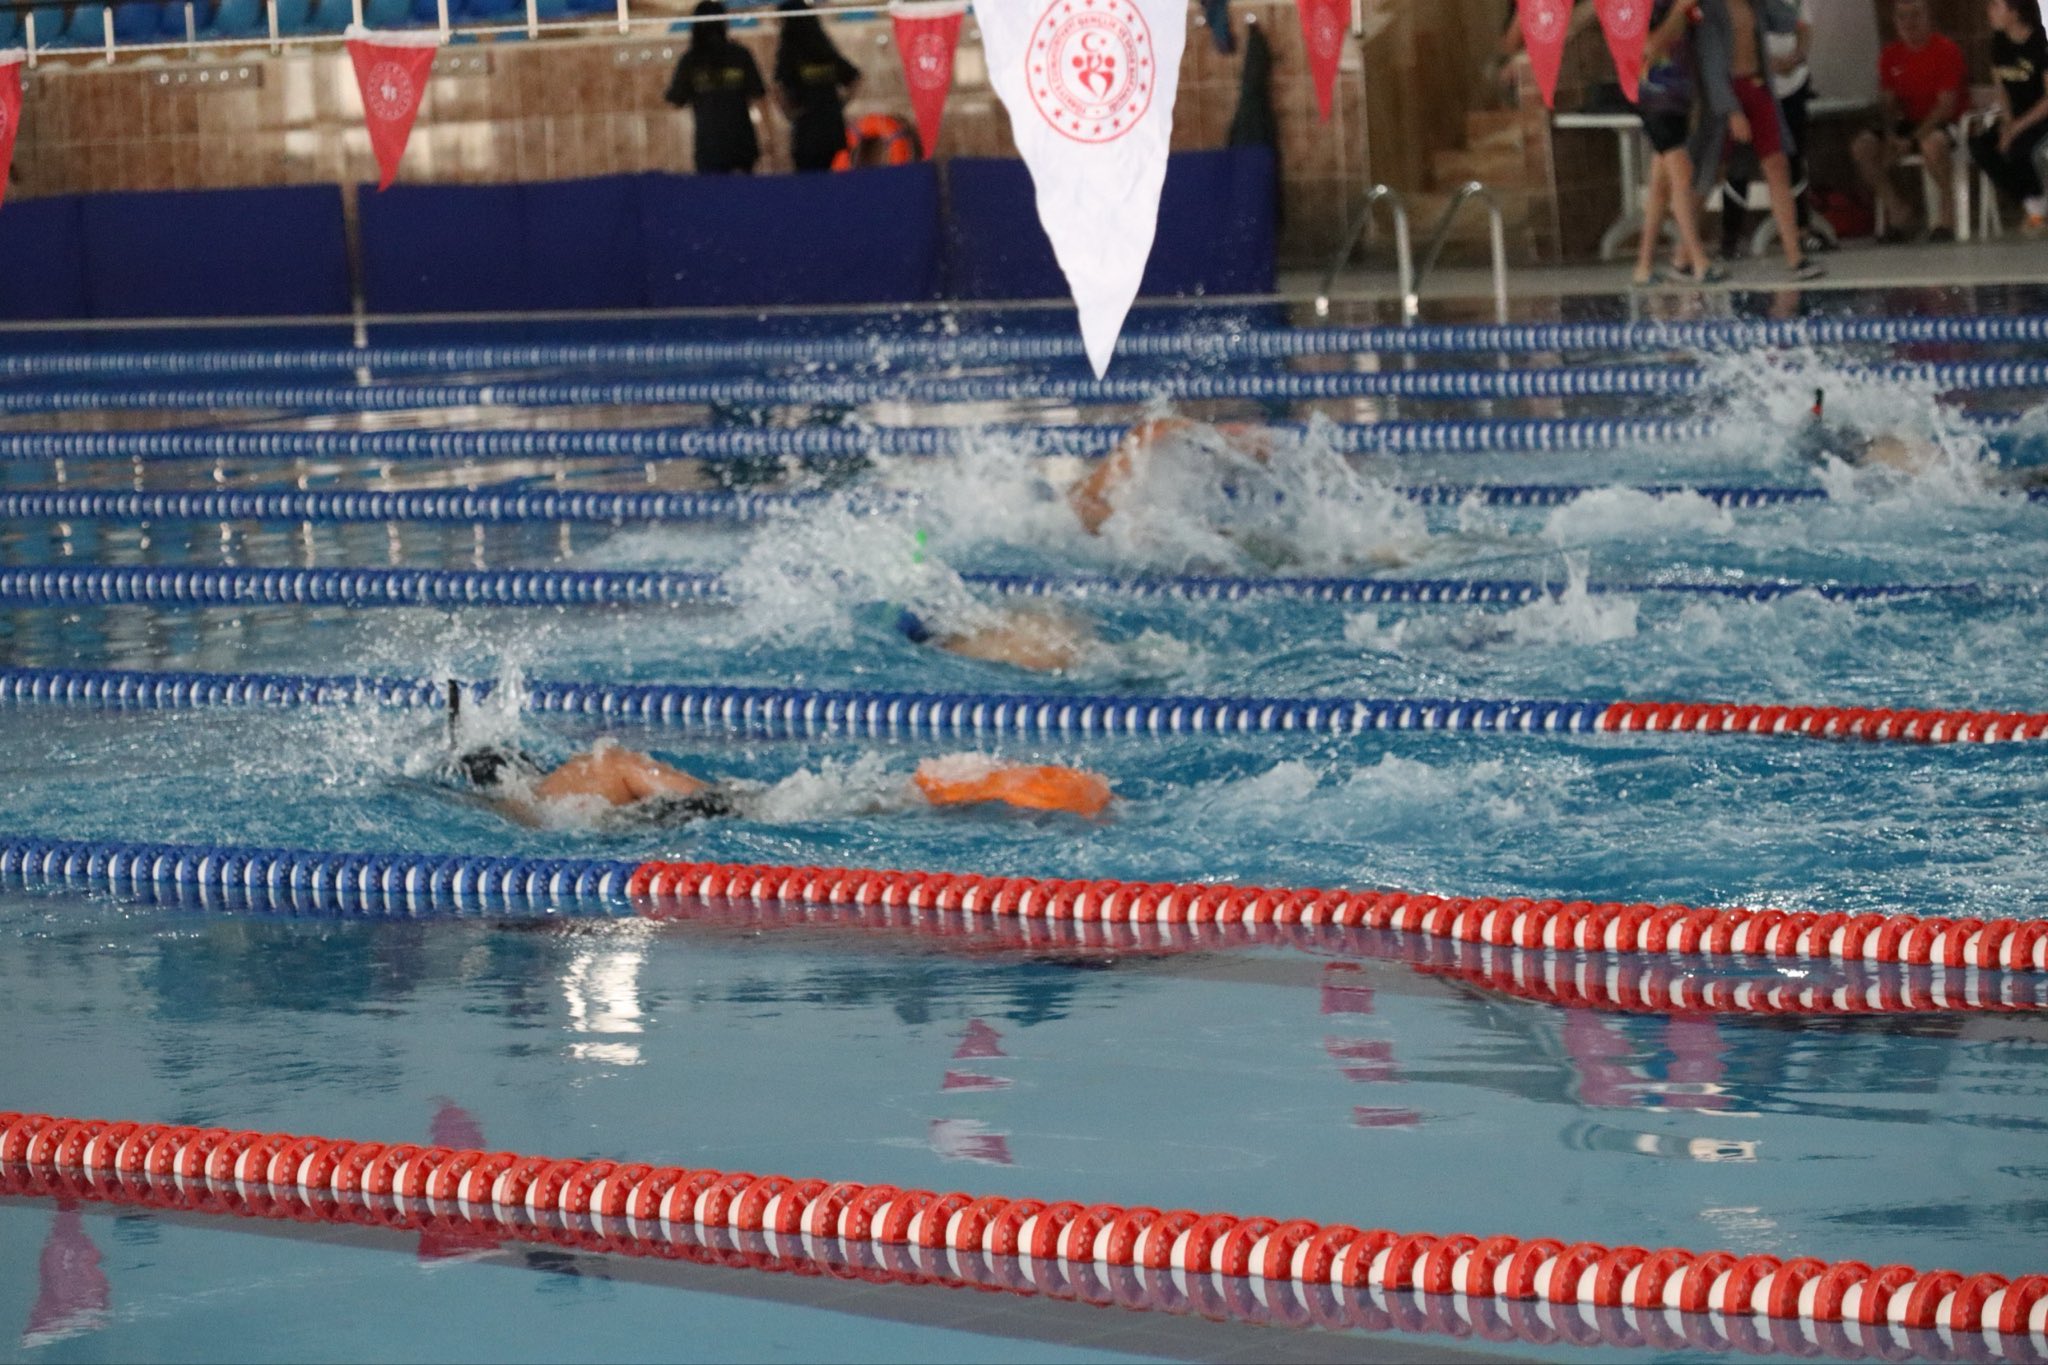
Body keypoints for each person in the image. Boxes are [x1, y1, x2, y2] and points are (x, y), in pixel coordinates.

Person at [442, 687, 1112, 824]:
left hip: (711, 816)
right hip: (711, 810)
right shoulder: (577, 776)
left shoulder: (554, 794)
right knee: (858, 800)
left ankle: (969, 790)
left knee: (855, 804)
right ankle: (972, 787)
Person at [1691, 0, 1825, 279]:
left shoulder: (1757, 6)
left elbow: (1791, 21)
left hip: (1758, 86)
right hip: (1729, 92)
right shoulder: (1710, 9)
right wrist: (1731, 110)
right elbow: (1711, 66)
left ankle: (1794, 256)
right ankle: (1684, 252)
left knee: (1777, 165)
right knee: (1710, 172)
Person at [1852, 0, 1969, 241]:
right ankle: (1898, 211)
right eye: (1902, 17)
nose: (1909, 23)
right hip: (1907, 122)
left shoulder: (1946, 50)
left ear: (1928, 17)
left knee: (1932, 144)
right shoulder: (1891, 55)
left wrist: (1912, 140)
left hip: (1943, 123)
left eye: (1915, 15)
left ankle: (1947, 216)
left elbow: (1945, 107)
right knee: (1863, 147)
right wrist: (1891, 134)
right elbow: (1888, 104)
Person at [1634, 0, 1724, 286]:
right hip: (1655, 100)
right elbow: (1650, 47)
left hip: (1676, 100)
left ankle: (1644, 266)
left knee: (1660, 188)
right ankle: (1698, 261)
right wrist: (1678, 11)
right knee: (1682, 177)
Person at [1720, 0, 1816, 258]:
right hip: (1745, 86)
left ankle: (1798, 241)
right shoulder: (1720, 7)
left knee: (1785, 161)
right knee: (1736, 164)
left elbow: (1798, 24)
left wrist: (1797, 56)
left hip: (1787, 86)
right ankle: (1729, 238)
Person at [664, 0, 772, 175]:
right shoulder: (740, 54)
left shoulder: (690, 60)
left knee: (713, 191)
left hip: (709, 146)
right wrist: (767, 136)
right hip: (742, 142)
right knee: (745, 190)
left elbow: (675, 100)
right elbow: (758, 94)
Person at [1969, 0, 2048, 235]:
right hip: (2016, 118)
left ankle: (2037, 212)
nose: (1989, 11)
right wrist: (2007, 124)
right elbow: (2001, 90)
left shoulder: (2040, 43)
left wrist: (2016, 129)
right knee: (1982, 146)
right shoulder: (1999, 43)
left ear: (2014, 12)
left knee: (2020, 147)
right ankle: (2034, 202)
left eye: (1996, 5)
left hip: (2041, 117)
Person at [773, 0, 861, 173]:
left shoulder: (790, 52)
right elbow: (855, 78)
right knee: (834, 177)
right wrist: (842, 102)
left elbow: (778, 86)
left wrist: (788, 111)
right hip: (832, 125)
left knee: (809, 178)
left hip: (807, 128)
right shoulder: (825, 51)